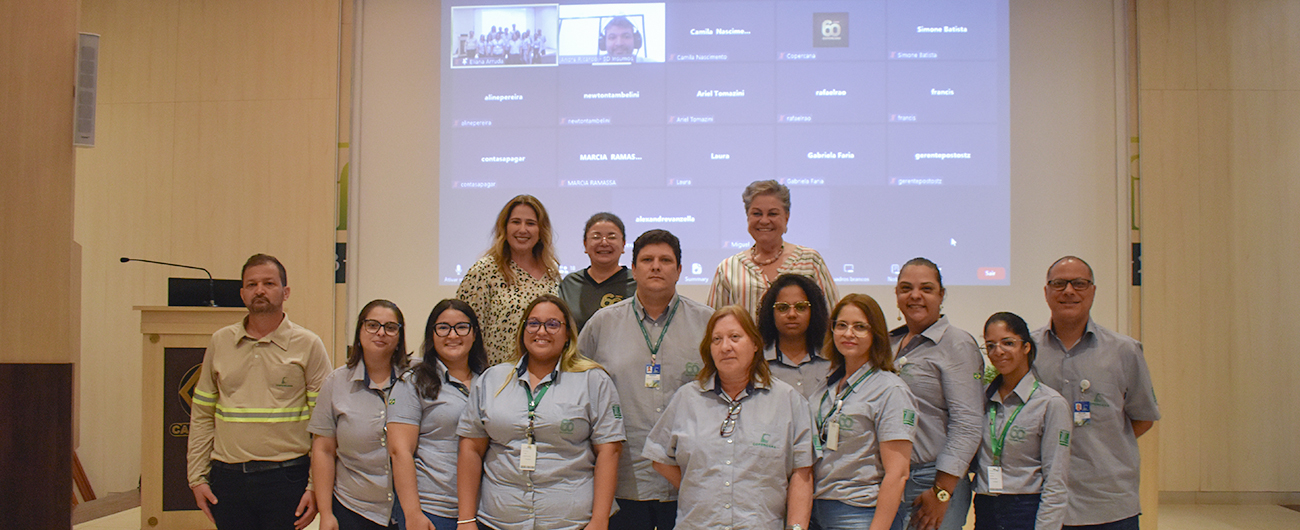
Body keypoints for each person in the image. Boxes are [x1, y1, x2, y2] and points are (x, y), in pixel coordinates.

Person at [578, 229, 714, 530]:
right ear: (634, 269)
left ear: (679, 270)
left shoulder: (708, 323)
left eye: (665, 260)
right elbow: (578, 390)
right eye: (647, 259)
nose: (656, 266)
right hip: (623, 480)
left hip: (687, 480)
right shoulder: (602, 324)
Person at [187, 254, 332, 530]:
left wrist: (316, 487)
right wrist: (197, 478)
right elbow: (202, 415)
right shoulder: (220, 341)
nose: (260, 290)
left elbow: (324, 425)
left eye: (269, 283)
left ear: (285, 292)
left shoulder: (308, 344)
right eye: (251, 285)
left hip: (287, 478)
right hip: (227, 479)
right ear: (242, 294)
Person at [456, 295, 625, 530]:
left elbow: (609, 451)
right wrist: (466, 519)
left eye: (553, 324)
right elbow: (471, 448)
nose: (542, 331)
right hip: (498, 519)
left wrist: (599, 520)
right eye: (533, 323)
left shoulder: (593, 380)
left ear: (568, 334)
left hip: (571, 520)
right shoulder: (492, 379)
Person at [644, 306, 814, 530]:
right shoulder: (687, 398)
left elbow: (803, 472)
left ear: (755, 344)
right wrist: (698, 486)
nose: (726, 347)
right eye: (717, 339)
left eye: (735, 337)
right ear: (709, 349)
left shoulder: (788, 400)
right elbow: (660, 458)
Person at [1031, 256, 1159, 530]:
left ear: (1093, 290)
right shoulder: (1028, 350)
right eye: (1059, 284)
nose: (1068, 291)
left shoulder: (1124, 351)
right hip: (1042, 501)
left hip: (1108, 502)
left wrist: (1102, 444)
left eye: (1079, 283)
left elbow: (1143, 418)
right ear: (1046, 292)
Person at [887, 257, 984, 530]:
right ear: (896, 295)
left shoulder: (957, 344)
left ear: (941, 295)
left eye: (926, 289)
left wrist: (942, 491)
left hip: (933, 481)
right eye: (906, 288)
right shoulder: (888, 343)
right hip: (892, 479)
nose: (915, 295)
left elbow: (968, 423)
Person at [811, 294, 915, 530]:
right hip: (818, 510)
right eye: (842, 325)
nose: (849, 333)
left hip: (861, 512)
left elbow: (897, 474)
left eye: (860, 327)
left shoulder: (891, 390)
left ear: (875, 334)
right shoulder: (825, 387)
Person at [388, 299, 489, 530]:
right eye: (443, 327)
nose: (452, 335)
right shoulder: (412, 382)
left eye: (462, 327)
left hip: (483, 510)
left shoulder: (490, 381)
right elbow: (399, 451)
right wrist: (413, 513)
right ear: (431, 335)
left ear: (474, 333)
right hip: (432, 509)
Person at [310, 300, 409, 530]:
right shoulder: (336, 383)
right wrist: (325, 513)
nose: (381, 332)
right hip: (354, 508)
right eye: (372, 325)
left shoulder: (416, 378)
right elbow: (323, 450)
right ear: (359, 332)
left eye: (390, 327)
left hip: (410, 510)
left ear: (399, 337)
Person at [974, 312, 1071, 530]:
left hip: (1025, 509)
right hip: (985, 505)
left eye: (1007, 343)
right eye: (990, 345)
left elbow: (1056, 481)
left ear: (1026, 347)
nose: (998, 352)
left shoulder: (1050, 403)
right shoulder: (981, 399)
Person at [708, 179, 838, 317]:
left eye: (772, 214)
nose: (764, 220)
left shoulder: (810, 261)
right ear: (747, 217)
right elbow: (713, 325)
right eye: (757, 214)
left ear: (786, 217)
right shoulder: (728, 268)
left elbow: (832, 317)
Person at [457, 194, 560, 365]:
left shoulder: (552, 275)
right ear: (504, 228)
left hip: (544, 375)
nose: (522, 229)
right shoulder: (484, 272)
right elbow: (464, 330)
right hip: (497, 377)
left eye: (531, 223)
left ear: (541, 230)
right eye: (516, 222)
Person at [559, 212, 636, 332]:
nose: (604, 243)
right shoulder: (570, 284)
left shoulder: (637, 282)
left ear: (623, 244)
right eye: (596, 237)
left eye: (611, 237)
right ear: (585, 244)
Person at [758, 273, 832, 398]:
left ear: (813, 311)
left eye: (801, 307)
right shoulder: (758, 362)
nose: (792, 314)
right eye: (782, 308)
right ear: (771, 313)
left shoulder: (832, 359)